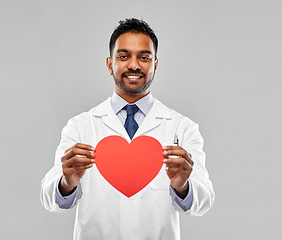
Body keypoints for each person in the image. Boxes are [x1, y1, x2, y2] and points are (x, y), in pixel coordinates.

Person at [40, 18, 215, 240]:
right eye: (123, 56)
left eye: (144, 57)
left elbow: (204, 200)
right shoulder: (80, 126)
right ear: (109, 64)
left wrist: (183, 187)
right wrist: (66, 183)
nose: (134, 65)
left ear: (155, 64)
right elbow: (48, 197)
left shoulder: (182, 127)